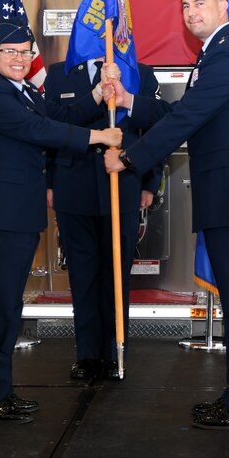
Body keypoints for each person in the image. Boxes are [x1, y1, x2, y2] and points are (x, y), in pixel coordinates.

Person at [103, 0, 229, 430]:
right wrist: (129, 101)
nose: (190, 11)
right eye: (185, 5)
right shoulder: (214, 54)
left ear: (225, 6)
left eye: (199, 2)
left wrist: (130, 157)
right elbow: (181, 110)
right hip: (227, 196)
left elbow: (187, 120)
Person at [0, 19, 121, 425]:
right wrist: (99, 139)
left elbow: (62, 111)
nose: (19, 59)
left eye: (24, 52)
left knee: (6, 307)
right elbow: (41, 129)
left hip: (15, 214)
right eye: (10, 52)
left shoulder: (24, 91)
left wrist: (98, 93)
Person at [44, 57, 163, 382]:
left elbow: (153, 131)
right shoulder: (60, 74)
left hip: (122, 184)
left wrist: (149, 182)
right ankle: (87, 355)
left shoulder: (139, 72)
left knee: (116, 275)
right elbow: (51, 129)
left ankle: (115, 352)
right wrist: (50, 182)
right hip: (73, 188)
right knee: (82, 275)